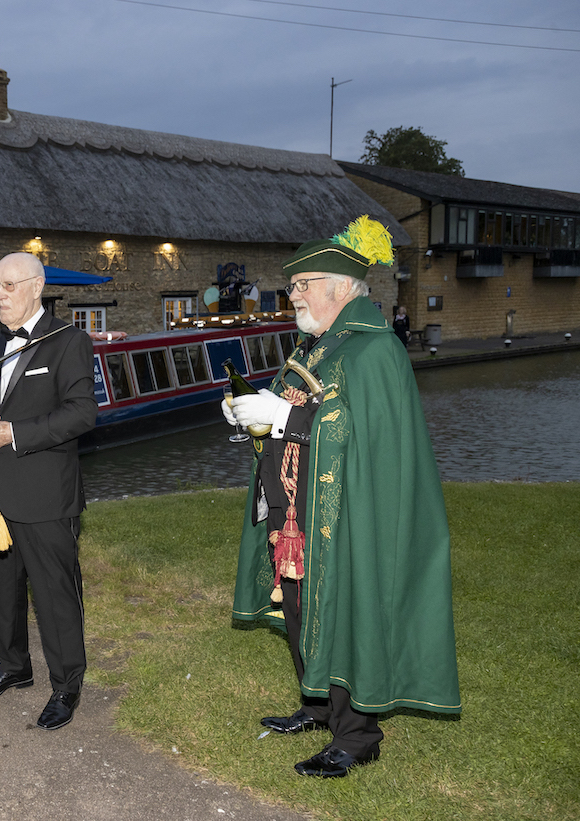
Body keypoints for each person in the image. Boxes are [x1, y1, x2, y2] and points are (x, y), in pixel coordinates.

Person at [224, 217, 460, 778]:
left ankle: (357, 735)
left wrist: (283, 417)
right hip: (296, 507)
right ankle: (317, 705)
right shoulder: (316, 346)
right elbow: (292, 407)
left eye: (303, 284)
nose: (293, 294)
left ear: (340, 287)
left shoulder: (375, 350)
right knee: (300, 605)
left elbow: (364, 434)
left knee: (344, 609)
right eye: (293, 285)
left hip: (347, 512)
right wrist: (249, 411)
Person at [0, 252, 98, 731]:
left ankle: (66, 685)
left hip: (46, 495)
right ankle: (14, 666)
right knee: (4, 588)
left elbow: (82, 413)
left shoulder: (70, 341)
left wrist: (13, 433)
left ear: (37, 287)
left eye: (9, 285)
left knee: (54, 594)